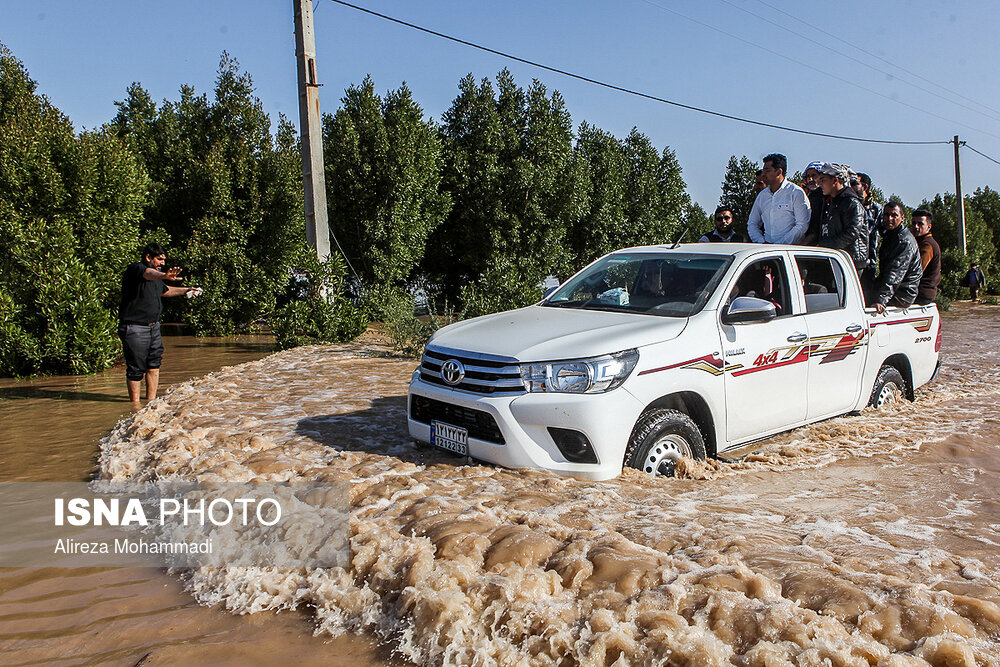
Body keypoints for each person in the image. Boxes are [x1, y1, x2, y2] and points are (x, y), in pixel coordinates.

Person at [118, 243, 201, 406]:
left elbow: (166, 290)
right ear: (148, 257)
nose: (163, 263)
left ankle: (150, 402)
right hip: (134, 327)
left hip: (154, 327)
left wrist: (187, 290)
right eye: (159, 259)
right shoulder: (137, 269)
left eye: (164, 260)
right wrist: (163, 275)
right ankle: (134, 407)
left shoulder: (158, 278)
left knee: (154, 365)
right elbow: (149, 274)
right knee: (135, 370)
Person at [816, 162, 868, 276]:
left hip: (852, 260)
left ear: (835, 181)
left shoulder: (851, 202)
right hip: (838, 257)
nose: (819, 184)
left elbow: (852, 232)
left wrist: (826, 245)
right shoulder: (832, 201)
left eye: (823, 180)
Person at [869, 202, 922, 313]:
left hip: (904, 292)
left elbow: (895, 273)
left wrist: (881, 300)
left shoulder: (904, 241)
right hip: (895, 287)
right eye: (886, 215)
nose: (889, 219)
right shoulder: (890, 235)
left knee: (868, 301)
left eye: (894, 215)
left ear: (902, 218)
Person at [747, 153, 811, 244]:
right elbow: (752, 224)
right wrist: (761, 242)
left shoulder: (796, 193)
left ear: (779, 172)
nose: (763, 174)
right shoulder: (762, 196)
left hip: (790, 252)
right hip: (766, 252)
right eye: (763, 170)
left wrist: (779, 245)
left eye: (767, 170)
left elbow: (802, 225)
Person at [854, 173, 882, 285]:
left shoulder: (876, 209)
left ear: (864, 187)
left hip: (868, 262)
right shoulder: (848, 205)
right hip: (850, 258)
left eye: (854, 183)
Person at [911, 209, 941, 305]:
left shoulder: (927, 245)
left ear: (929, 227)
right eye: (914, 223)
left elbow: (917, 269)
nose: (916, 227)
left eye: (920, 224)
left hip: (922, 293)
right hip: (921, 292)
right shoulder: (919, 242)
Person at [800, 161, 826, 245]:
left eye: (814, 175)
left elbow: (815, 229)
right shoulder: (810, 196)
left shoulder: (823, 197)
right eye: (808, 176)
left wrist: (800, 247)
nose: (810, 179)